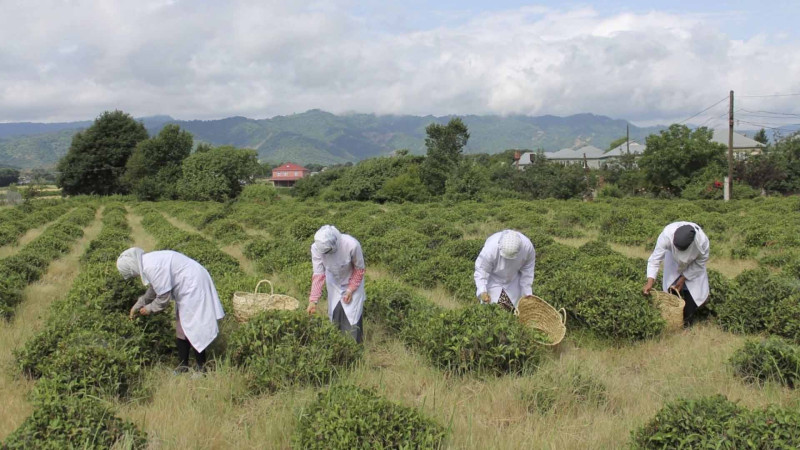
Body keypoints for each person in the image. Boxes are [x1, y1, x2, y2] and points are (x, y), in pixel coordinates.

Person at [117, 247, 225, 372]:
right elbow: (154, 289)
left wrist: (148, 309)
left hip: (193, 285)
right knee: (182, 327)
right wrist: (139, 304)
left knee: (195, 328)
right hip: (187, 286)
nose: (134, 276)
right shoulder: (148, 263)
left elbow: (163, 298)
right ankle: (183, 367)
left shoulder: (151, 267)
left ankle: (202, 369)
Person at [306, 225, 366, 343]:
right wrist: (313, 300)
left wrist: (350, 290)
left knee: (353, 316)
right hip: (334, 281)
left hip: (352, 279)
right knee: (336, 311)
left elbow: (359, 270)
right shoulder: (316, 248)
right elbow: (318, 274)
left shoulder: (352, 245)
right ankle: (337, 344)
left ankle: (354, 346)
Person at [642, 222, 710, 326]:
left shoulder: (702, 242)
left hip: (693, 266)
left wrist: (683, 279)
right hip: (673, 262)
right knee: (671, 290)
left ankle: (688, 324)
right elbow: (655, 259)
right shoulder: (666, 235)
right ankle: (672, 322)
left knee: (692, 295)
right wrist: (650, 282)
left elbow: (700, 263)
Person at [474, 229, 536, 309]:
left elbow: (528, 273)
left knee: (516, 309)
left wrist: (527, 294)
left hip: (514, 278)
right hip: (493, 278)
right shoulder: (490, 249)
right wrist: (482, 291)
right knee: (490, 308)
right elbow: (481, 270)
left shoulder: (527, 248)